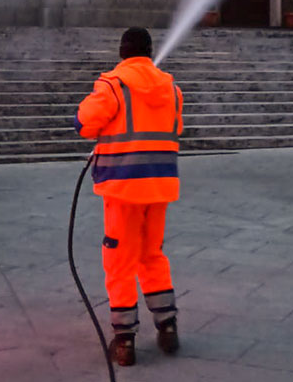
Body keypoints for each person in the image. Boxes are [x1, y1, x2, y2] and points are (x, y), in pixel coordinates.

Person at [74, 27, 183, 367]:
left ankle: (124, 341)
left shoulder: (112, 85)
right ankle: (168, 326)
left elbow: (84, 123)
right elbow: (175, 129)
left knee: (119, 261)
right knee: (152, 255)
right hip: (159, 185)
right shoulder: (171, 88)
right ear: (149, 53)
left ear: (122, 52)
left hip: (123, 187)